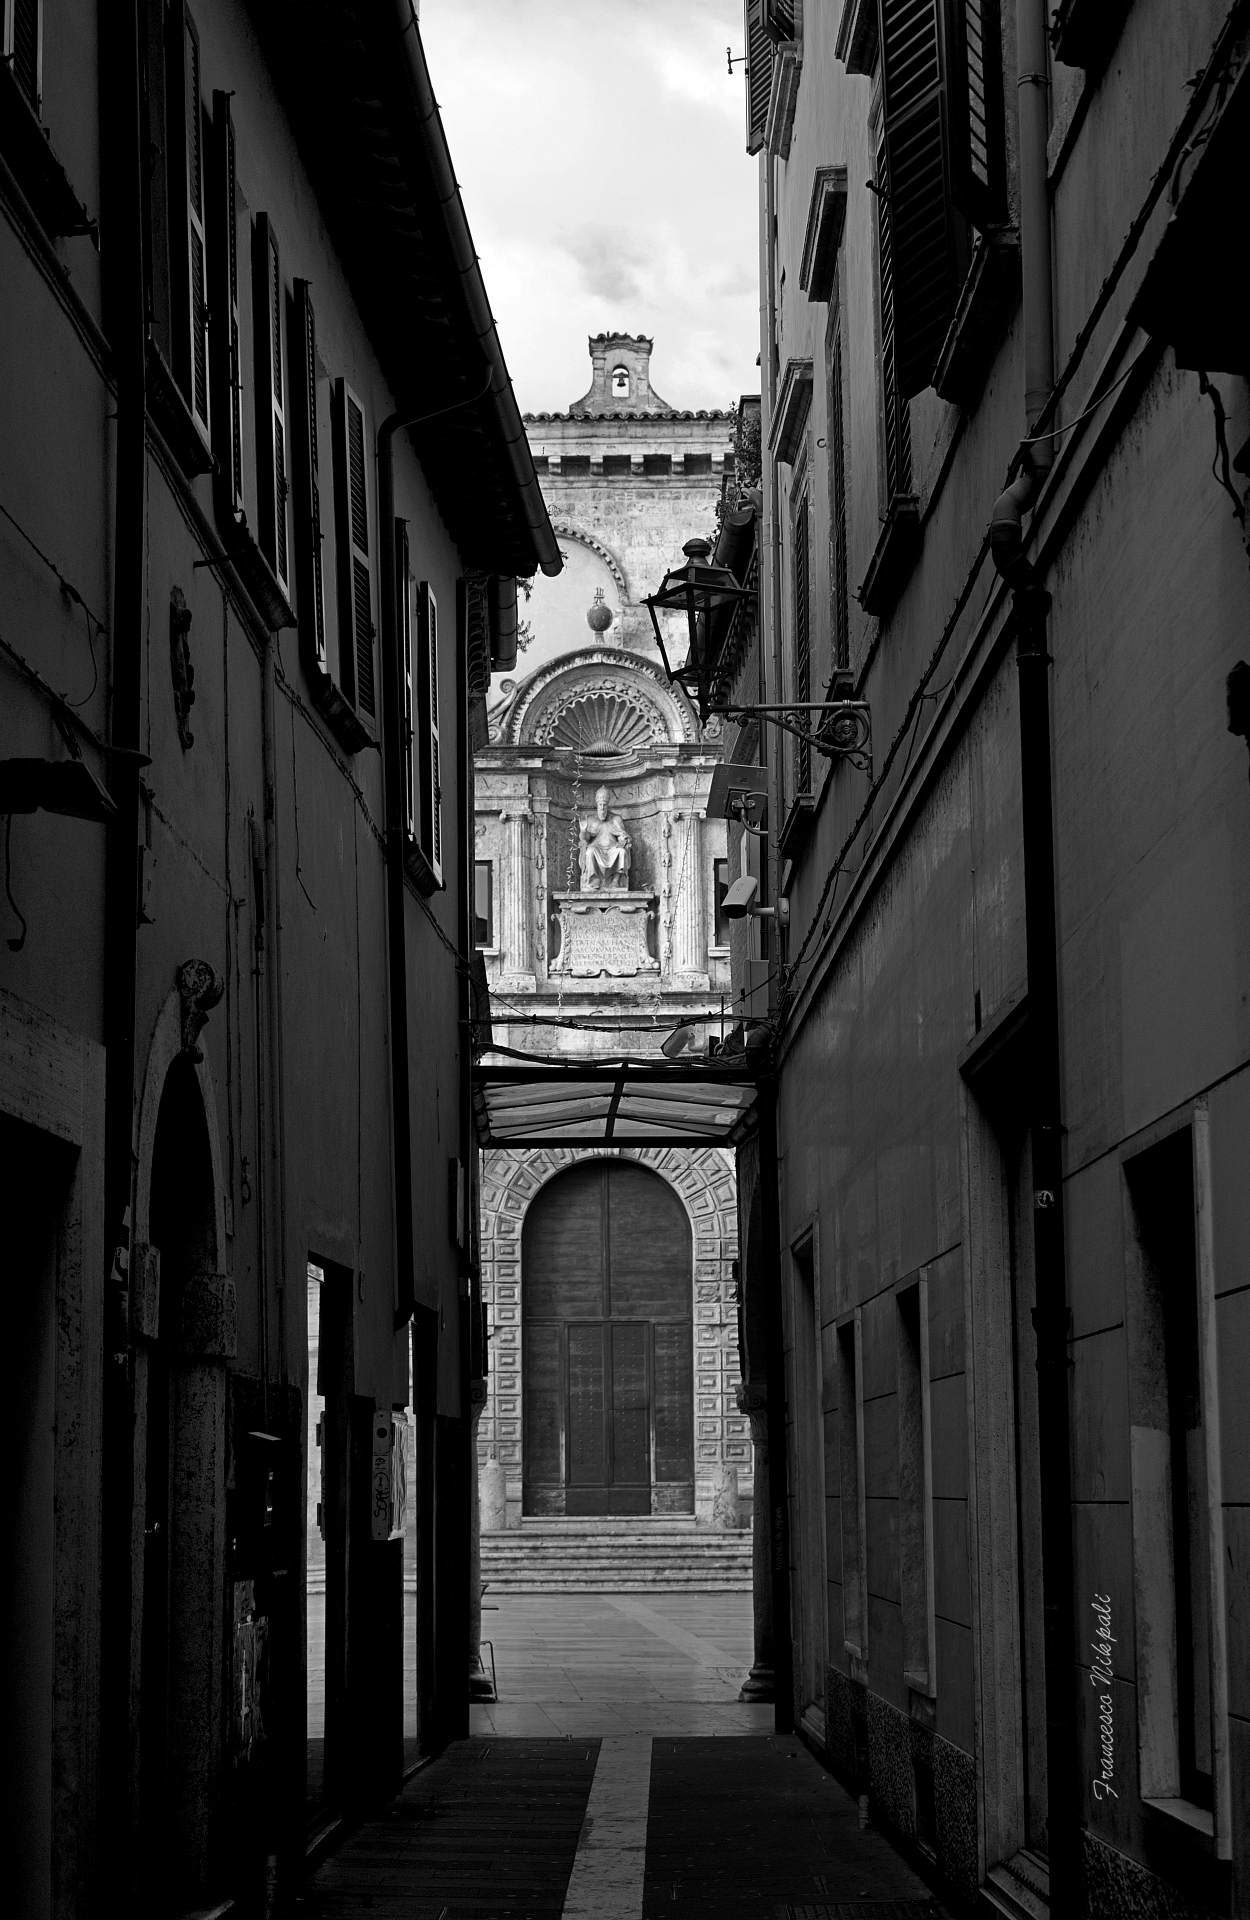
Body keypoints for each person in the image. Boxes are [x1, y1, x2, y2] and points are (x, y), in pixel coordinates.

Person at [578, 786, 631, 890]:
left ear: (607, 805)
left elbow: (624, 836)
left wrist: (623, 841)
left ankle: (615, 881)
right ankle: (594, 881)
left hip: (612, 849)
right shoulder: (590, 819)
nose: (602, 808)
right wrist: (583, 832)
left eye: (604, 805)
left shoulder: (616, 819)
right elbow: (586, 839)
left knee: (622, 852)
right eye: (600, 805)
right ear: (597, 805)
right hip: (597, 848)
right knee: (589, 852)